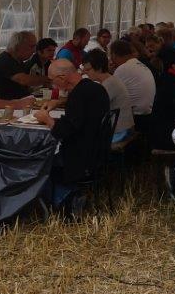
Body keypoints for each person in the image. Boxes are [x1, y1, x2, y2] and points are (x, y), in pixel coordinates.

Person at [35, 59, 111, 202]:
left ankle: (48, 202)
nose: (53, 85)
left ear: (62, 78)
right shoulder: (94, 88)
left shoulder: (79, 95)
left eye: (52, 81)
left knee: (37, 158)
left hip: (80, 159)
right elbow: (77, 120)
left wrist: (46, 119)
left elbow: (62, 131)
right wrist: (59, 102)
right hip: (97, 152)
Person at [81, 49, 134, 143]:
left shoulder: (109, 85)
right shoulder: (110, 80)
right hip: (122, 128)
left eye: (88, 69)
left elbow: (92, 110)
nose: (84, 72)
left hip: (119, 132)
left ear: (99, 68)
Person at [108, 39, 156, 131]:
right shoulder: (137, 63)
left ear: (114, 55)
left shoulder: (123, 69)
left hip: (135, 117)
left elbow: (109, 93)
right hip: (147, 114)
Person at [0, 31, 48, 100]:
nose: (34, 51)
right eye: (31, 46)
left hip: (18, 102)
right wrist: (49, 79)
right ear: (18, 46)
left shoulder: (18, 61)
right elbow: (24, 80)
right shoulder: (5, 60)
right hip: (6, 105)